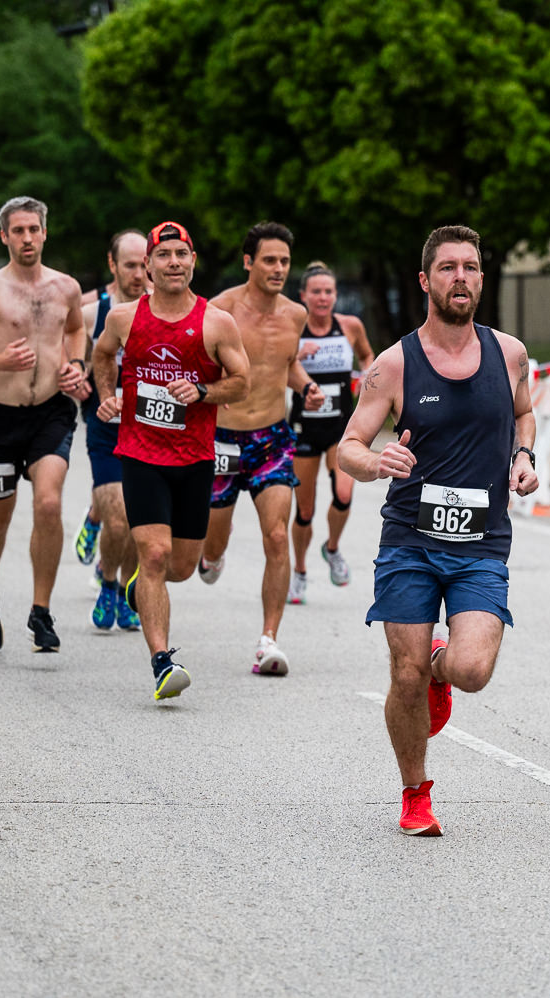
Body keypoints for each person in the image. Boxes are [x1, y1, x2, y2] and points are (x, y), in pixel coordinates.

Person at [337, 224, 539, 837]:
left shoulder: (510, 354)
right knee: (403, 673)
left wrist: (524, 457)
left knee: (473, 670)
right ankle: (415, 793)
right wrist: (376, 463)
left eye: (471, 267)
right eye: (448, 268)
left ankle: (439, 665)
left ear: (482, 277)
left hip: (482, 541)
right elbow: (349, 445)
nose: (461, 278)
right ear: (426, 281)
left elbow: (525, 412)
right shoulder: (394, 364)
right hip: (410, 540)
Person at [92, 220, 249, 699]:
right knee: (155, 553)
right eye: (163, 256)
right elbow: (102, 355)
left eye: (181, 254)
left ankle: (141, 581)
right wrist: (107, 395)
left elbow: (242, 381)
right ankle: (162, 662)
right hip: (140, 452)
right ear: (149, 266)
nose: (173, 262)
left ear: (193, 261)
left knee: (180, 566)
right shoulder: (123, 318)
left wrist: (202, 390)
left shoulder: (215, 321)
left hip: (194, 457)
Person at [0, 196, 90, 653]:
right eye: (18, 230)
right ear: (4, 236)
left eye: (34, 229)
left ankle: (40, 612)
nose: (27, 238)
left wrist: (77, 364)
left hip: (51, 411)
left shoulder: (66, 287)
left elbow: (76, 329)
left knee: (48, 504)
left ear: (45, 233)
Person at [199, 221, 325, 676]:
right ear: (248, 261)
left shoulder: (295, 314)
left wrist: (306, 385)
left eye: (284, 262)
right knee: (213, 541)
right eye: (269, 260)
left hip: (272, 438)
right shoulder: (220, 311)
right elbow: (199, 370)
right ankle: (211, 554)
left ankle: (268, 640)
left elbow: (284, 365)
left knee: (277, 535)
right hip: (222, 439)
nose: (278, 269)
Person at [286, 261, 375, 605]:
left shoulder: (350, 326)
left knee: (343, 494)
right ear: (303, 296)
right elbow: (272, 366)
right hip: (304, 427)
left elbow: (367, 354)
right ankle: (299, 571)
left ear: (336, 296)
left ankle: (333, 548)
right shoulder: (292, 328)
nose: (323, 298)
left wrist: (368, 371)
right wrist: (294, 355)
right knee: (304, 511)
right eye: (316, 292)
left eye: (329, 292)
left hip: (342, 427)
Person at [78, 228, 148, 633]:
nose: (139, 274)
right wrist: (73, 376)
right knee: (118, 521)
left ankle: (126, 590)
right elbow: (65, 356)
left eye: (144, 265)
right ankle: (108, 583)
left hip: (152, 431)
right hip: (106, 429)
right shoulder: (93, 313)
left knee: (142, 525)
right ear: (112, 265)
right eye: (130, 265)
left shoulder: (165, 313)